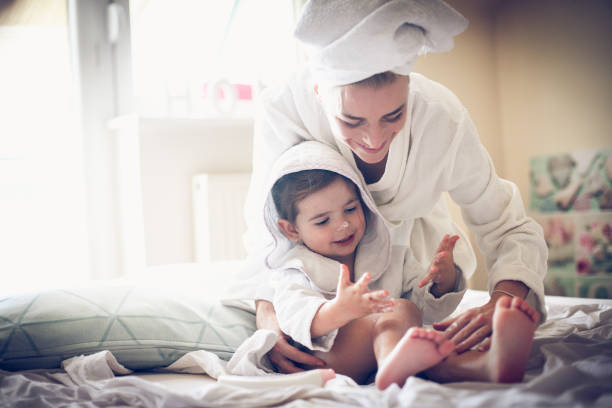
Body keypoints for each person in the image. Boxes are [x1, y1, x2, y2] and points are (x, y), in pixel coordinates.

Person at [241, 0, 547, 384]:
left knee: (402, 311)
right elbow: (264, 235)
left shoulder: (441, 118)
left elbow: (506, 223)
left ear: (409, 90)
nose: (374, 139)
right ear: (319, 92)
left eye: (394, 116)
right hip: (330, 328)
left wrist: (503, 298)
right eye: (351, 120)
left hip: (398, 272)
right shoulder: (283, 110)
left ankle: (430, 362)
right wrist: (270, 317)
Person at [261, 141, 460, 389]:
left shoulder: (391, 256)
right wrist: (340, 310)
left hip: (374, 352)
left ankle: (481, 366)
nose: (343, 225)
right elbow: (295, 318)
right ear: (292, 230)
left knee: (431, 336)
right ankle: (391, 363)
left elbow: (428, 309)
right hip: (325, 359)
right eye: (323, 221)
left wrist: (443, 279)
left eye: (351, 209)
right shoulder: (296, 268)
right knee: (398, 310)